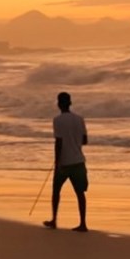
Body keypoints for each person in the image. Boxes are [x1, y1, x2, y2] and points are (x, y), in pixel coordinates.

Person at [43, 92, 89, 232]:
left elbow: (59, 142)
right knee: (80, 193)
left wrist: (57, 162)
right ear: (70, 103)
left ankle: (54, 220)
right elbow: (85, 141)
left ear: (59, 104)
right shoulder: (79, 119)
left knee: (56, 191)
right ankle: (83, 223)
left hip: (64, 162)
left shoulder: (57, 120)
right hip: (79, 161)